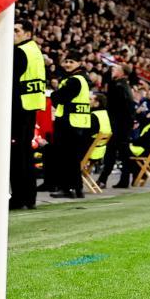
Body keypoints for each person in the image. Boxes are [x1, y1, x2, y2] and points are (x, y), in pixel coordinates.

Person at [11, 20, 46, 208]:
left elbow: (11, 80)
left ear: (27, 33)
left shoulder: (19, 52)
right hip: (30, 107)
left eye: (16, 30)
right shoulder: (35, 51)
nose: (13, 33)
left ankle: (17, 198)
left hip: (18, 107)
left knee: (17, 155)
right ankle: (28, 198)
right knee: (26, 153)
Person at [49, 51, 92, 199]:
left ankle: (67, 188)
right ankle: (77, 188)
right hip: (79, 123)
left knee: (65, 157)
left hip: (68, 122)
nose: (67, 64)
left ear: (79, 63)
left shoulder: (74, 80)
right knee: (73, 158)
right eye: (66, 61)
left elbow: (58, 98)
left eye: (71, 62)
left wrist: (55, 95)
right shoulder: (84, 79)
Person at [98, 64, 136, 189]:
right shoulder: (125, 86)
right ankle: (124, 178)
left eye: (116, 69)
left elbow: (114, 108)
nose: (112, 70)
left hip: (118, 125)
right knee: (120, 153)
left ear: (122, 73)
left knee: (113, 152)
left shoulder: (117, 86)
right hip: (123, 125)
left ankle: (103, 180)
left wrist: (115, 124)